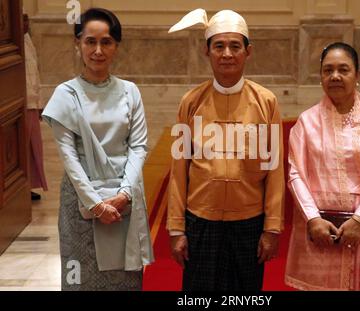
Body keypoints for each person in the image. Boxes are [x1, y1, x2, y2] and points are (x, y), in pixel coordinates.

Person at [167, 9, 284, 291]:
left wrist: (272, 227)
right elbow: (178, 169)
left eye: (235, 46)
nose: (227, 54)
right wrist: (175, 228)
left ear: (248, 51)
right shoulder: (191, 102)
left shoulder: (266, 102)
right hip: (201, 222)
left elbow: (275, 170)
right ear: (207, 51)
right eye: (219, 46)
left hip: (249, 223)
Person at [42, 8, 153, 290]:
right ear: (78, 44)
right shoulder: (65, 95)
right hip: (81, 202)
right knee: (81, 281)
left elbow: (138, 146)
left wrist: (124, 194)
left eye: (106, 42)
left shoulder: (130, 91)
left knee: (124, 280)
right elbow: (69, 157)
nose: (98, 50)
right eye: (90, 41)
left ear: (116, 46)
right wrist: (95, 204)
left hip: (123, 200)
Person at [285, 42, 360, 291]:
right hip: (318, 229)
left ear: (357, 74)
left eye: (343, 69)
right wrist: (313, 219)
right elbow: (295, 174)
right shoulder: (307, 122)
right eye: (328, 70)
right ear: (321, 76)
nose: (335, 76)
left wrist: (359, 219)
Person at [24, 13, 48, 200]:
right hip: (19, 104)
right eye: (22, 18)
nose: (26, 21)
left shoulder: (26, 40)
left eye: (27, 18)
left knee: (32, 149)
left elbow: (34, 74)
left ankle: (26, 186)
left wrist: (38, 102)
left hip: (30, 102)